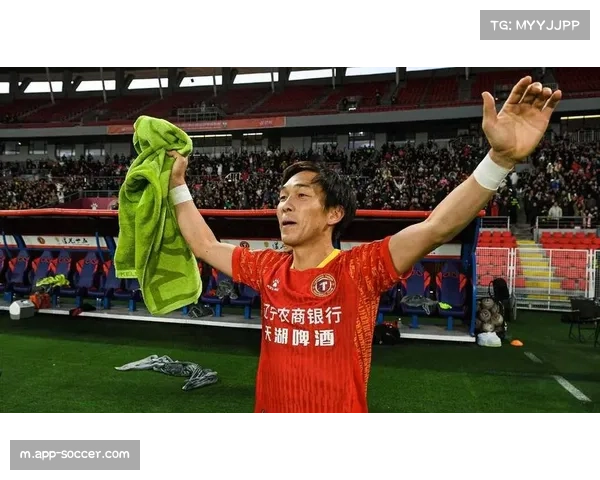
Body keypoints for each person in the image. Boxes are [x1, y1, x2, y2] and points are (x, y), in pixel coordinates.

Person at [167, 77, 561, 414]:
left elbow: (437, 227)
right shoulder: (267, 267)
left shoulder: (360, 268)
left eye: (301, 196)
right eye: (282, 197)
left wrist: (499, 160)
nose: (285, 204)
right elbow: (205, 245)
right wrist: (177, 184)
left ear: (334, 213)